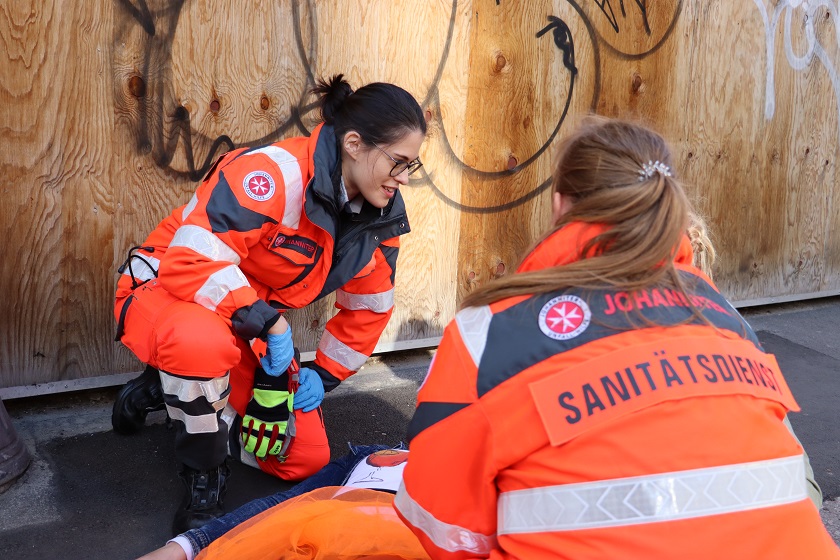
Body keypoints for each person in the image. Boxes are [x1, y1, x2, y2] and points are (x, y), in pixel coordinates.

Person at [394, 117, 840, 559]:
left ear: (560, 206)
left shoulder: (489, 332)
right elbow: (793, 475)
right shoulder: (720, 314)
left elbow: (440, 524)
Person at [111, 74, 427, 534]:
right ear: (355, 144)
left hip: (243, 317)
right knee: (197, 342)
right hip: (170, 287)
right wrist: (271, 325)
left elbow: (369, 307)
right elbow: (189, 262)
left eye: (411, 167)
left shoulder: (379, 219)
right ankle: (204, 471)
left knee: (302, 457)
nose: (402, 179)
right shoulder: (273, 175)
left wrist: (323, 374)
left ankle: (185, 394)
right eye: (397, 163)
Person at [134, 445, 427, 560]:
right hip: (329, 529)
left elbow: (283, 504)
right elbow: (285, 503)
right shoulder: (369, 453)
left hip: (393, 536)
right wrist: (187, 545)